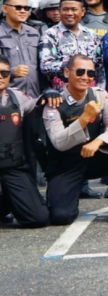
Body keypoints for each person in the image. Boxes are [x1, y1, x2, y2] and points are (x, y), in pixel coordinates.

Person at [42, 55, 108, 225]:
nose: (86, 77)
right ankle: (66, 196)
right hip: (66, 164)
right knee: (61, 217)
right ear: (67, 72)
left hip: (94, 157)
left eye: (90, 73)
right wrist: (84, 118)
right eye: (80, 71)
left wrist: (98, 142)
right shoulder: (53, 102)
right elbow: (59, 143)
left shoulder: (99, 95)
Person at [0, 55, 49, 228]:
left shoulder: (17, 97)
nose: (1, 76)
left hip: (12, 167)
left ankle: (9, 204)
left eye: (5, 73)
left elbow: (37, 105)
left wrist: (49, 95)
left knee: (39, 218)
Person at [39, 0, 105, 92]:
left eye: (74, 9)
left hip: (89, 94)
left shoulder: (92, 36)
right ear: (60, 10)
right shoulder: (50, 35)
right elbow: (45, 67)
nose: (69, 13)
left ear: (82, 11)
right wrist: (71, 66)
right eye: (65, 9)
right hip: (61, 96)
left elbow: (100, 67)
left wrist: (100, 91)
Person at [0, 0, 42, 98]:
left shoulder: (34, 33)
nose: (23, 11)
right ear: (5, 9)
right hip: (8, 100)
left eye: (26, 8)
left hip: (35, 98)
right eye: (18, 7)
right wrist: (12, 72)